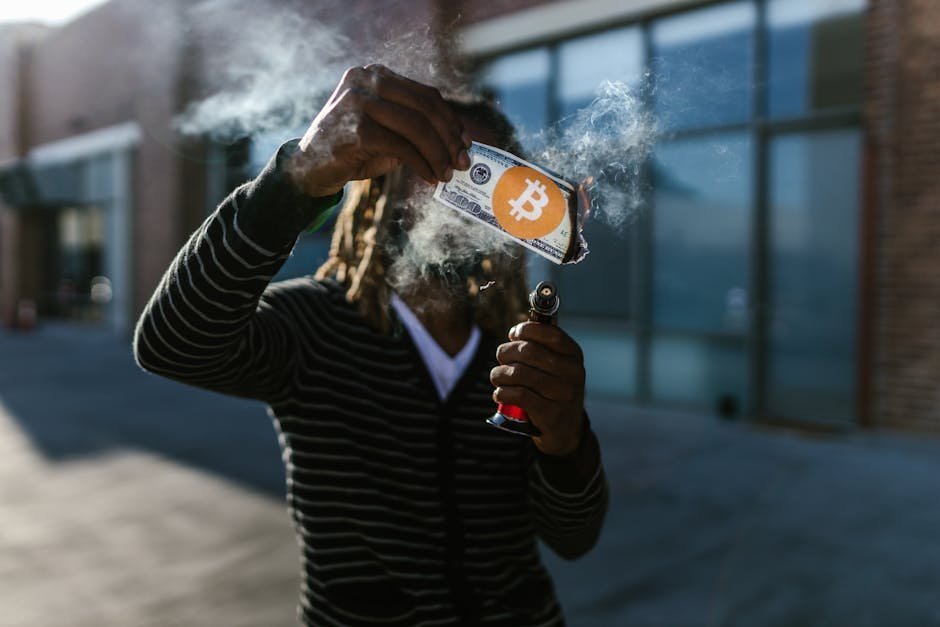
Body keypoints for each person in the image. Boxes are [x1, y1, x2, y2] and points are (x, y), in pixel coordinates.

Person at [134, 64, 608, 627]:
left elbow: (574, 539)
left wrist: (567, 442)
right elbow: (172, 344)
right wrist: (295, 181)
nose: (470, 193)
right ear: (388, 183)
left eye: (492, 175)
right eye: (450, 164)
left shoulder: (511, 349)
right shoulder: (312, 323)